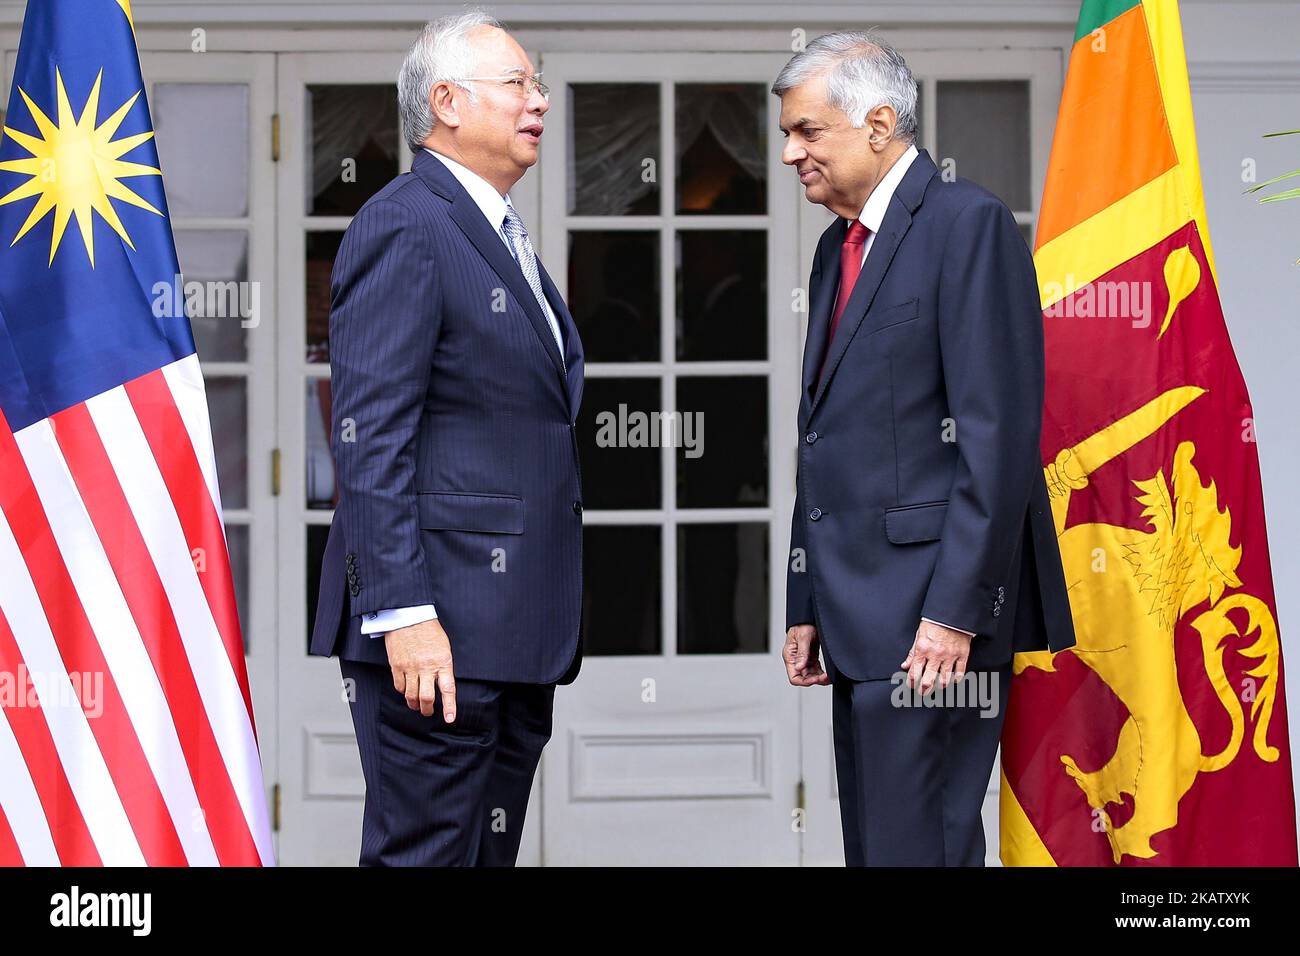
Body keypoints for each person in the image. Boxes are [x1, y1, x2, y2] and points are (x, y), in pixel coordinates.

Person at [774, 30, 1075, 866]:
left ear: (878, 123)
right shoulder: (840, 245)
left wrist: (952, 614)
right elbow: (829, 430)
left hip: (932, 621)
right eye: (788, 136)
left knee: (924, 847)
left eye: (807, 131)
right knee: (878, 847)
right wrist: (805, 600)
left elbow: (998, 438)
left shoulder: (965, 223)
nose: (792, 153)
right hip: (857, 613)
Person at [309, 10, 584, 866]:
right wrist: (403, 612)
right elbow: (371, 439)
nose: (539, 100)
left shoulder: (494, 229)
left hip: (509, 635)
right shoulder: (407, 224)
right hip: (437, 633)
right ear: (448, 103)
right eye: (519, 84)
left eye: (536, 85)